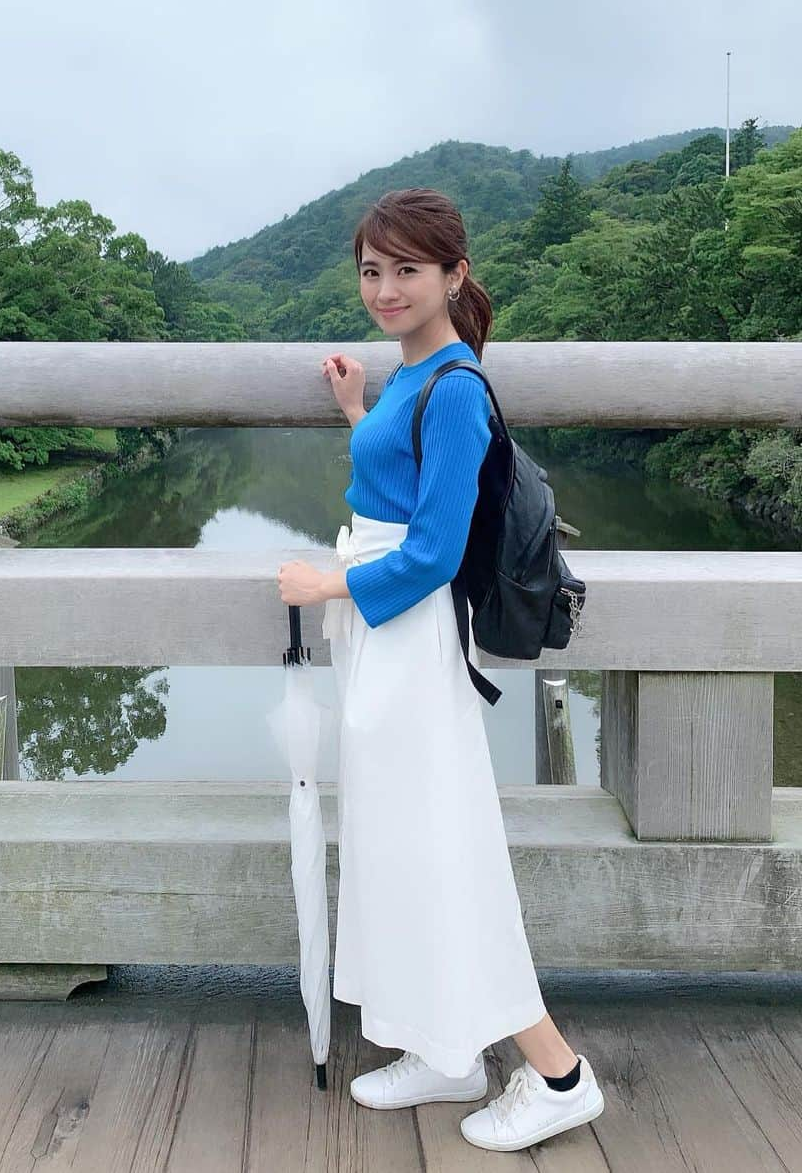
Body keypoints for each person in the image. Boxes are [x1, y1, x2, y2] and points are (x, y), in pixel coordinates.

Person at [276, 188, 605, 1153]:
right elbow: (399, 487)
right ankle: (447, 1050)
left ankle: (558, 1073)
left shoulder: (456, 386)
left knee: (444, 852)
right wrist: (358, 412)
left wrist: (329, 580)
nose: (384, 288)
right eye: (372, 270)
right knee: (397, 846)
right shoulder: (415, 377)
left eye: (406, 271)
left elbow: (434, 549)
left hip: (411, 638)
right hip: (386, 639)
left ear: (454, 276)